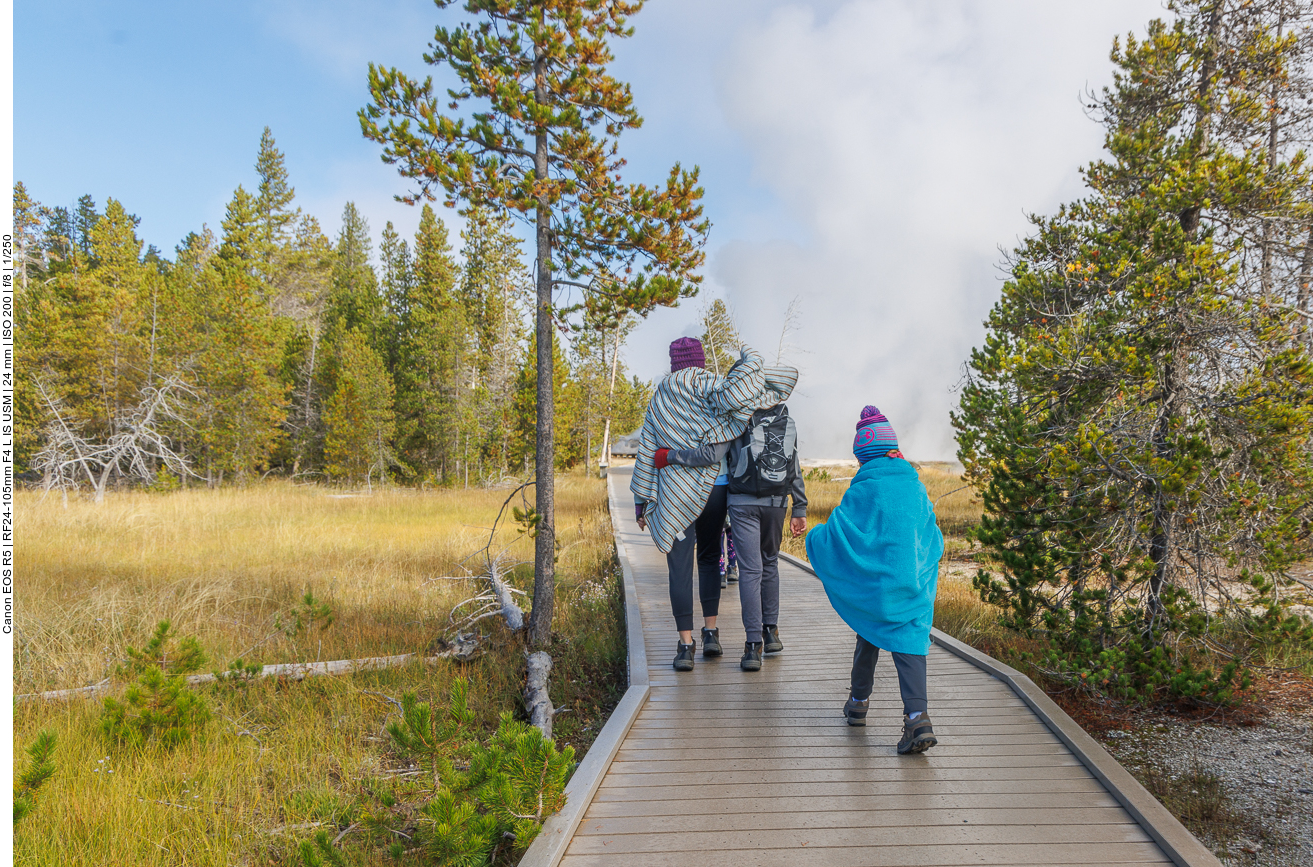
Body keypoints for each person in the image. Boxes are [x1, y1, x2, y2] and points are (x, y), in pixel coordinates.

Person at [804, 406, 943, 755]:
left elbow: (840, 532)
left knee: (867, 634)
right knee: (910, 644)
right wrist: (919, 567)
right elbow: (934, 538)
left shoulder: (863, 489)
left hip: (876, 590)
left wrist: (815, 538)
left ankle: (857, 703)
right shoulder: (916, 487)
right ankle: (917, 717)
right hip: (911, 588)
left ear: (863, 456)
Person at [631, 339, 777, 671]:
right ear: (700, 360)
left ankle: (685, 645)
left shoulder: (661, 397)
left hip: (675, 494)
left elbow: (647, 449)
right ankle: (711, 632)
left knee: (679, 567)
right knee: (710, 558)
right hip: (717, 489)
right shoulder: (715, 387)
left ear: (673, 363)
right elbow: (736, 416)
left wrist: (641, 502)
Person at [656, 365, 805, 672]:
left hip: (740, 501)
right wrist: (799, 507)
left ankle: (753, 647)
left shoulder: (737, 413)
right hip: (776, 502)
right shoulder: (782, 415)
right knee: (770, 562)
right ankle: (771, 631)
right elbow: (794, 463)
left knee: (750, 570)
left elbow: (713, 455)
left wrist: (670, 455)